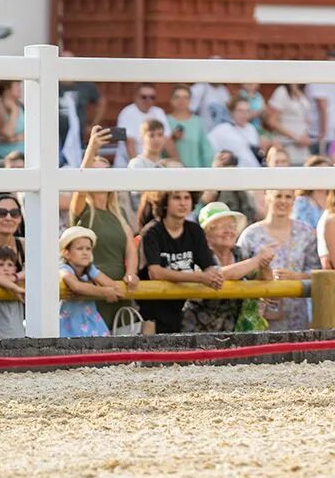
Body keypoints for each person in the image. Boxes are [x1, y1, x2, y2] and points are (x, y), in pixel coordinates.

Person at [70, 125, 142, 327]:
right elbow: (80, 186)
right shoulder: (83, 209)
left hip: (119, 291)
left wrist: (132, 273)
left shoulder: (118, 214)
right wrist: (92, 147)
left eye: (106, 172)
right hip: (90, 292)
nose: (103, 177)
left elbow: (131, 250)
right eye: (96, 173)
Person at [181, 202, 275, 333]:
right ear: (206, 232)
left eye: (232, 226)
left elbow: (265, 279)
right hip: (198, 333)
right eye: (222, 227)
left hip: (234, 332)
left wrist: (265, 264)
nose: (229, 231)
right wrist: (257, 260)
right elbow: (217, 275)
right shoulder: (198, 254)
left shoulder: (240, 253)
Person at [138, 190, 222, 334]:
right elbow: (155, 272)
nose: (183, 203)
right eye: (177, 198)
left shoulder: (195, 231)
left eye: (187, 198)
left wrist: (214, 277)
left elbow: (207, 266)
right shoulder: (152, 232)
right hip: (153, 313)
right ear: (165, 203)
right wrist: (199, 277)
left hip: (184, 313)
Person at [238, 189, 320, 331]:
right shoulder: (250, 235)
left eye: (288, 197)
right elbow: (240, 272)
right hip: (261, 315)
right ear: (267, 198)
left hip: (297, 316)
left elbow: (318, 271)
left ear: (294, 200)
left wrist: (297, 277)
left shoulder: (306, 232)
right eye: (278, 196)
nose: (283, 201)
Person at [59, 225, 121, 338]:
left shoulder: (90, 269)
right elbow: (76, 286)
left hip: (91, 321)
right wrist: (105, 292)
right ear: (66, 253)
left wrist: (109, 289)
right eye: (80, 249)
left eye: (88, 249)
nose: (85, 252)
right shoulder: (64, 269)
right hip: (69, 324)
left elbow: (113, 285)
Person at [115, 84, 169, 165]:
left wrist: (179, 161)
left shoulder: (159, 112)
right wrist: (137, 166)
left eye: (152, 97)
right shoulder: (127, 112)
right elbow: (129, 142)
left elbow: (167, 139)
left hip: (151, 163)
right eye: (144, 97)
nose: (148, 100)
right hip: (127, 165)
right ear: (136, 97)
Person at [200, 148, 258, 224]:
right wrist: (216, 172)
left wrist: (234, 176)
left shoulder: (241, 181)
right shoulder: (212, 181)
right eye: (221, 159)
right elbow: (206, 199)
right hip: (216, 221)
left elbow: (250, 208)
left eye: (228, 162)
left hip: (238, 221)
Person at [165, 85, 216, 170]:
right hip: (171, 175)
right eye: (177, 97)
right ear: (171, 100)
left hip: (195, 175)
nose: (181, 101)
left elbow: (207, 152)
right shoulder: (165, 121)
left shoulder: (198, 122)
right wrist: (172, 138)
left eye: (186, 97)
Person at [264, 83, 315, 162]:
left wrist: (305, 136)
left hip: (302, 146)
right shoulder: (282, 91)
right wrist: (296, 138)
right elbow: (272, 121)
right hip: (286, 144)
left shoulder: (302, 91)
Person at [208, 97, 262, 167]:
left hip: (253, 173)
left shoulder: (251, 128)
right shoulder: (221, 130)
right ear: (232, 112)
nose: (244, 114)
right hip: (233, 174)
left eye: (247, 111)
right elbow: (210, 151)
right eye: (240, 111)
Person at [0, 79, 25, 161]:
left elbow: (31, 133)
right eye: (17, 85)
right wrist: (14, 110)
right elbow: (7, 133)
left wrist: (13, 139)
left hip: (24, 156)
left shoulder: (20, 105)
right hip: (4, 158)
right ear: (7, 88)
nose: (20, 89)